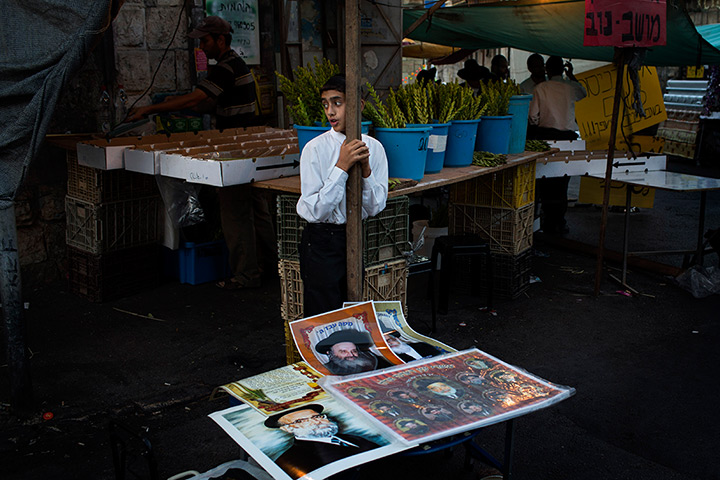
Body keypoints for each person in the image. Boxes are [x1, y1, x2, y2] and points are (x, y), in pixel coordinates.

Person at [128, 16, 276, 288]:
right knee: (257, 210)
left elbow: (197, 98)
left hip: (236, 150)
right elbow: (208, 104)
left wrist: (151, 109)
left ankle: (246, 275)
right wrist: (184, 109)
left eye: (205, 40)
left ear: (221, 40)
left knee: (234, 213)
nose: (202, 46)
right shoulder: (236, 65)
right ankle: (269, 265)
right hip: (247, 146)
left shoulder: (225, 67)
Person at [296, 74, 389, 316]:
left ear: (358, 106)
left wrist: (366, 171)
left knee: (353, 309)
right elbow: (317, 210)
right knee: (323, 314)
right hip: (321, 241)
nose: (331, 111)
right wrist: (341, 167)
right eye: (326, 104)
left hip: (355, 238)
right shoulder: (314, 149)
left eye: (338, 103)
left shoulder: (375, 148)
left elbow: (375, 207)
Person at [527, 55, 587, 235]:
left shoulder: (541, 88)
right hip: (568, 139)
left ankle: (543, 220)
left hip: (545, 137)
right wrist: (572, 75)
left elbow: (533, 116)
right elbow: (584, 93)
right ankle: (558, 221)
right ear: (562, 69)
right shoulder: (572, 87)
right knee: (562, 181)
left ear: (547, 70)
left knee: (544, 180)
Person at [264, 405, 380, 479]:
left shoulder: (351, 438)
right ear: (287, 428)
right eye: (301, 420)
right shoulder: (290, 459)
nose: (316, 422)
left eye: (317, 417)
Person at [314, 329, 384, 375]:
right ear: (330, 353)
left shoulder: (370, 364)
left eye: (354, 351)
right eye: (343, 351)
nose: (351, 355)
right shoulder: (322, 371)